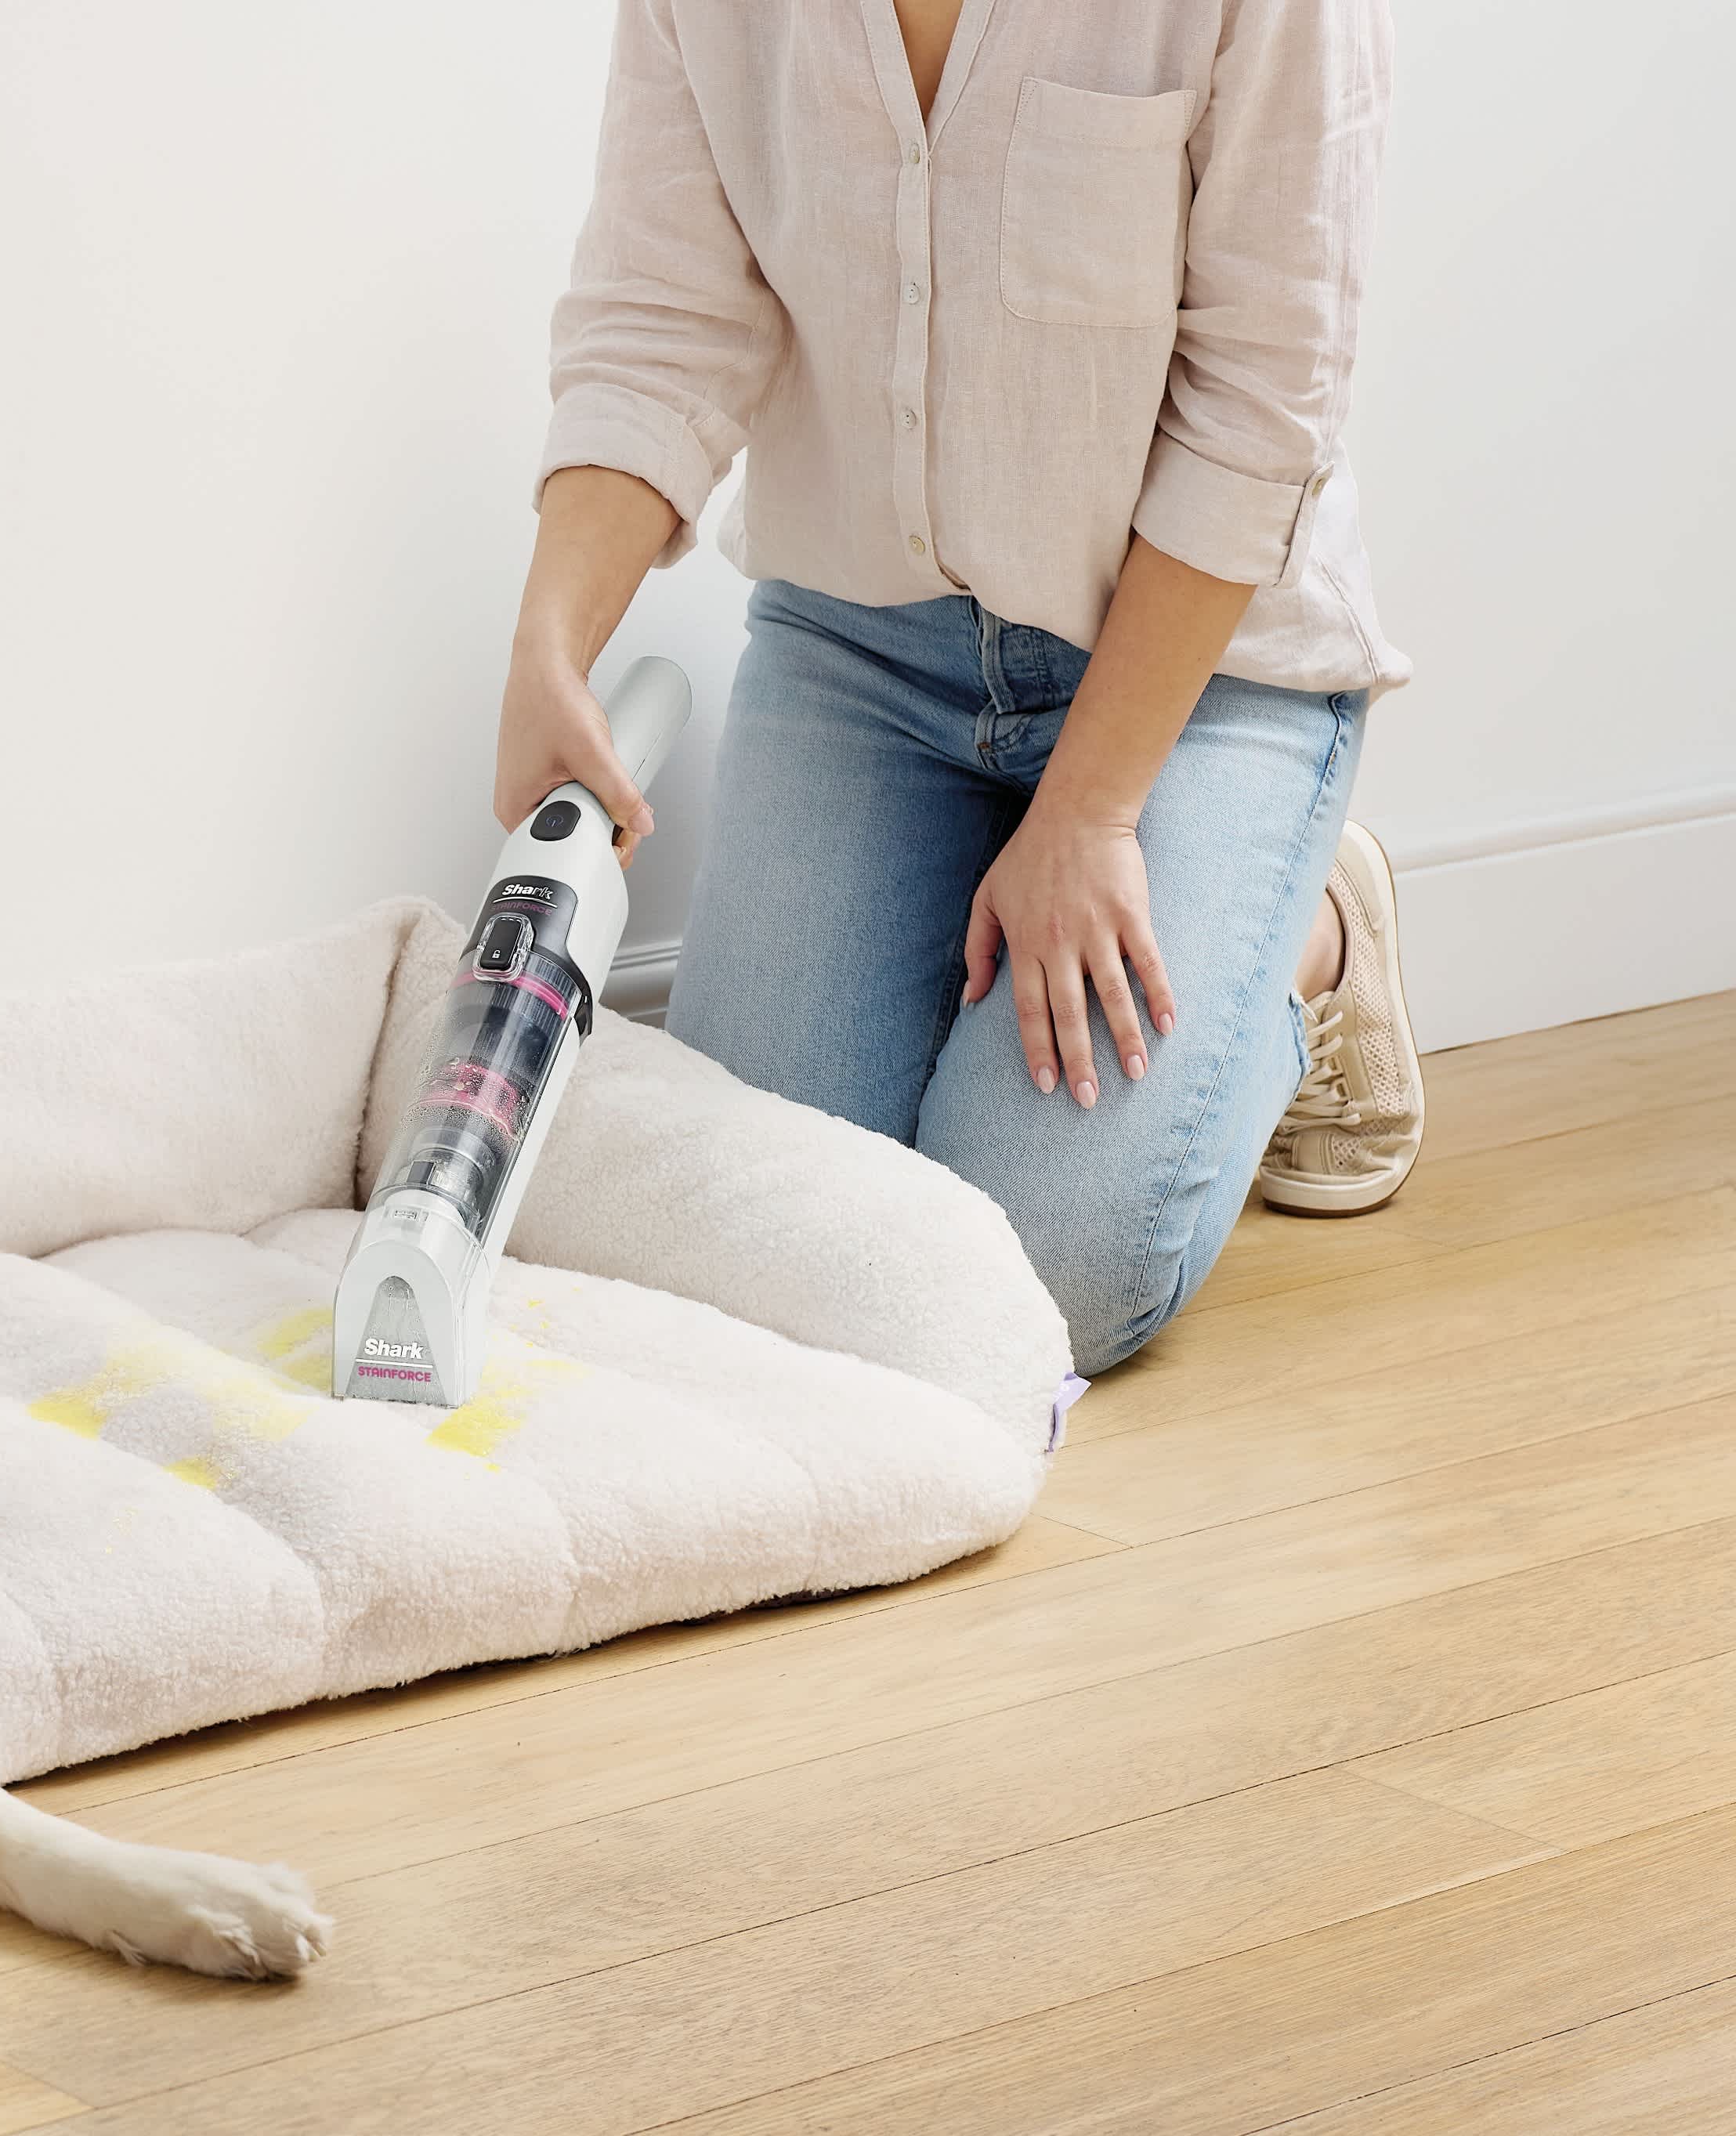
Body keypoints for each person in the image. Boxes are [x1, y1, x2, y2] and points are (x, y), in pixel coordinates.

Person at [497, 0, 1418, 1374]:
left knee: (1040, 1276)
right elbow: (662, 315)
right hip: (863, 653)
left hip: (1198, 674)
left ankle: (1316, 928)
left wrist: (1096, 814)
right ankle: (1005, 891)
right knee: (749, 1252)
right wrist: (548, 647)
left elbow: (1263, 401)